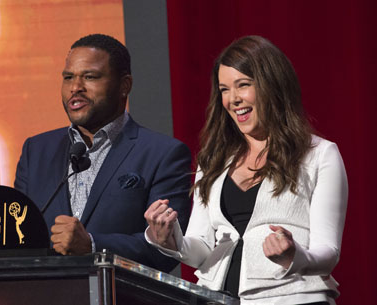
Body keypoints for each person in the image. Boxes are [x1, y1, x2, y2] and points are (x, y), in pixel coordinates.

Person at [145, 35, 348, 304]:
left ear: (272, 86)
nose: (233, 99)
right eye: (224, 89)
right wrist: (170, 240)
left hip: (293, 297)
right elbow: (202, 248)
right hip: (218, 297)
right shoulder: (214, 159)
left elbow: (328, 251)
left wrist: (294, 255)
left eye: (243, 85)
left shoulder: (320, 155)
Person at [14, 34, 192, 273]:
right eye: (68, 78)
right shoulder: (36, 151)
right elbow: (17, 239)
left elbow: (167, 250)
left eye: (90, 77)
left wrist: (93, 245)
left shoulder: (164, 154)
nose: (75, 88)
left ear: (124, 85)